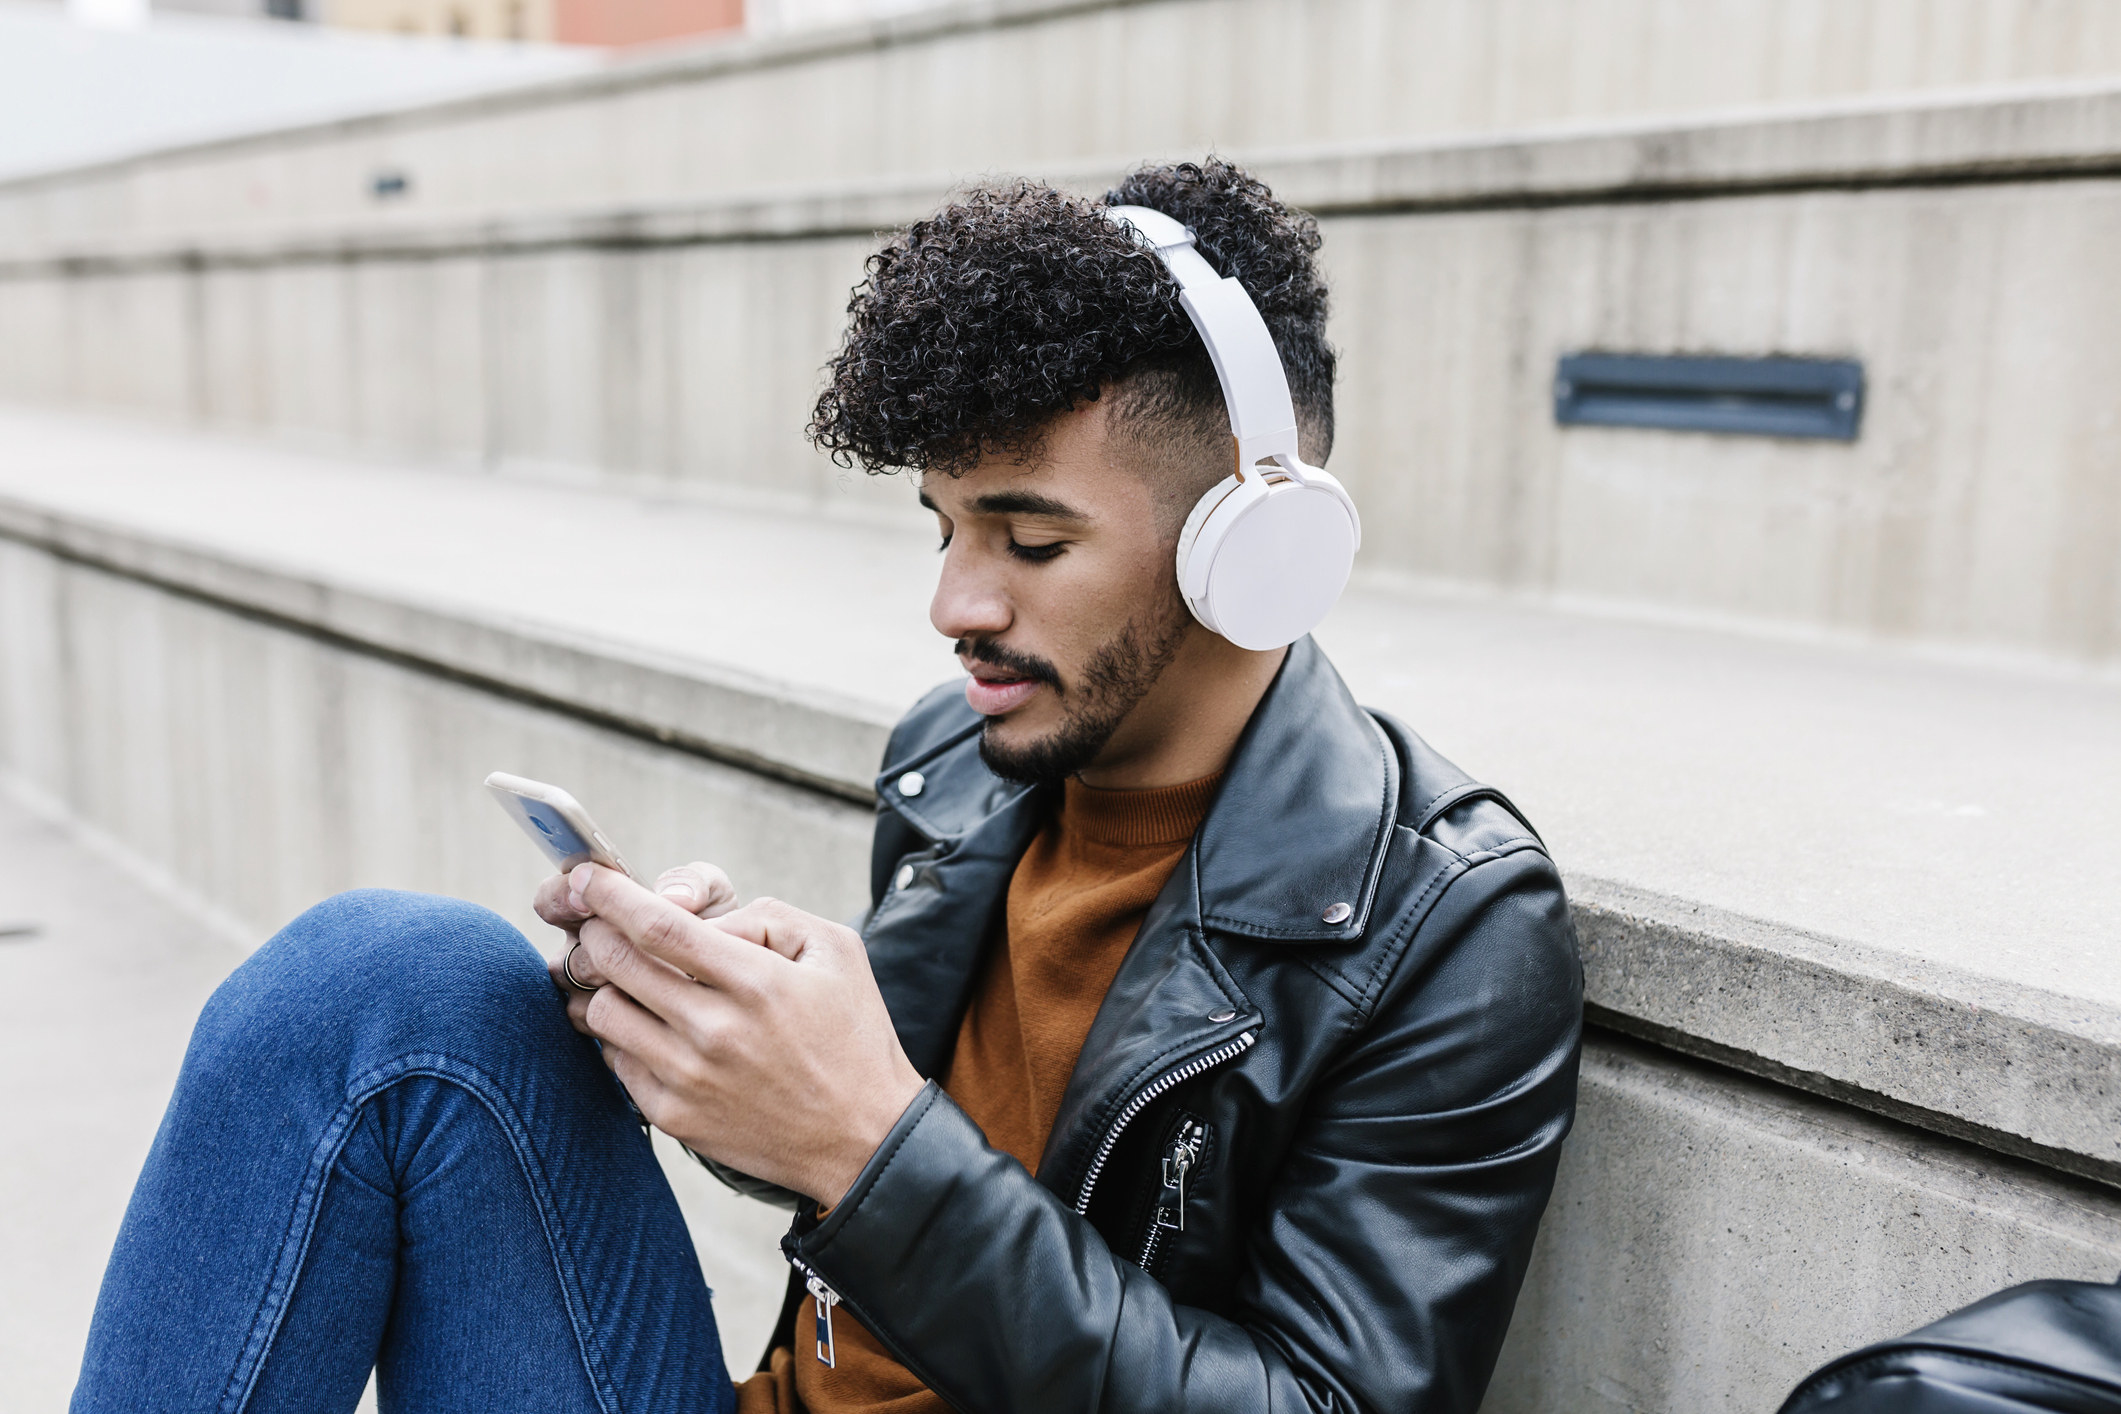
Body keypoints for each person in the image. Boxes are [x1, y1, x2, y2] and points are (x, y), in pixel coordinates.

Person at [71, 158, 1582, 1414]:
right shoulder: (960, 769)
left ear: (1251, 551)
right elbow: (881, 1187)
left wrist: (866, 1145)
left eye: (1028, 540)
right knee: (398, 985)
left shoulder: (1438, 922)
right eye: (940, 528)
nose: (955, 605)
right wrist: (710, 1044)